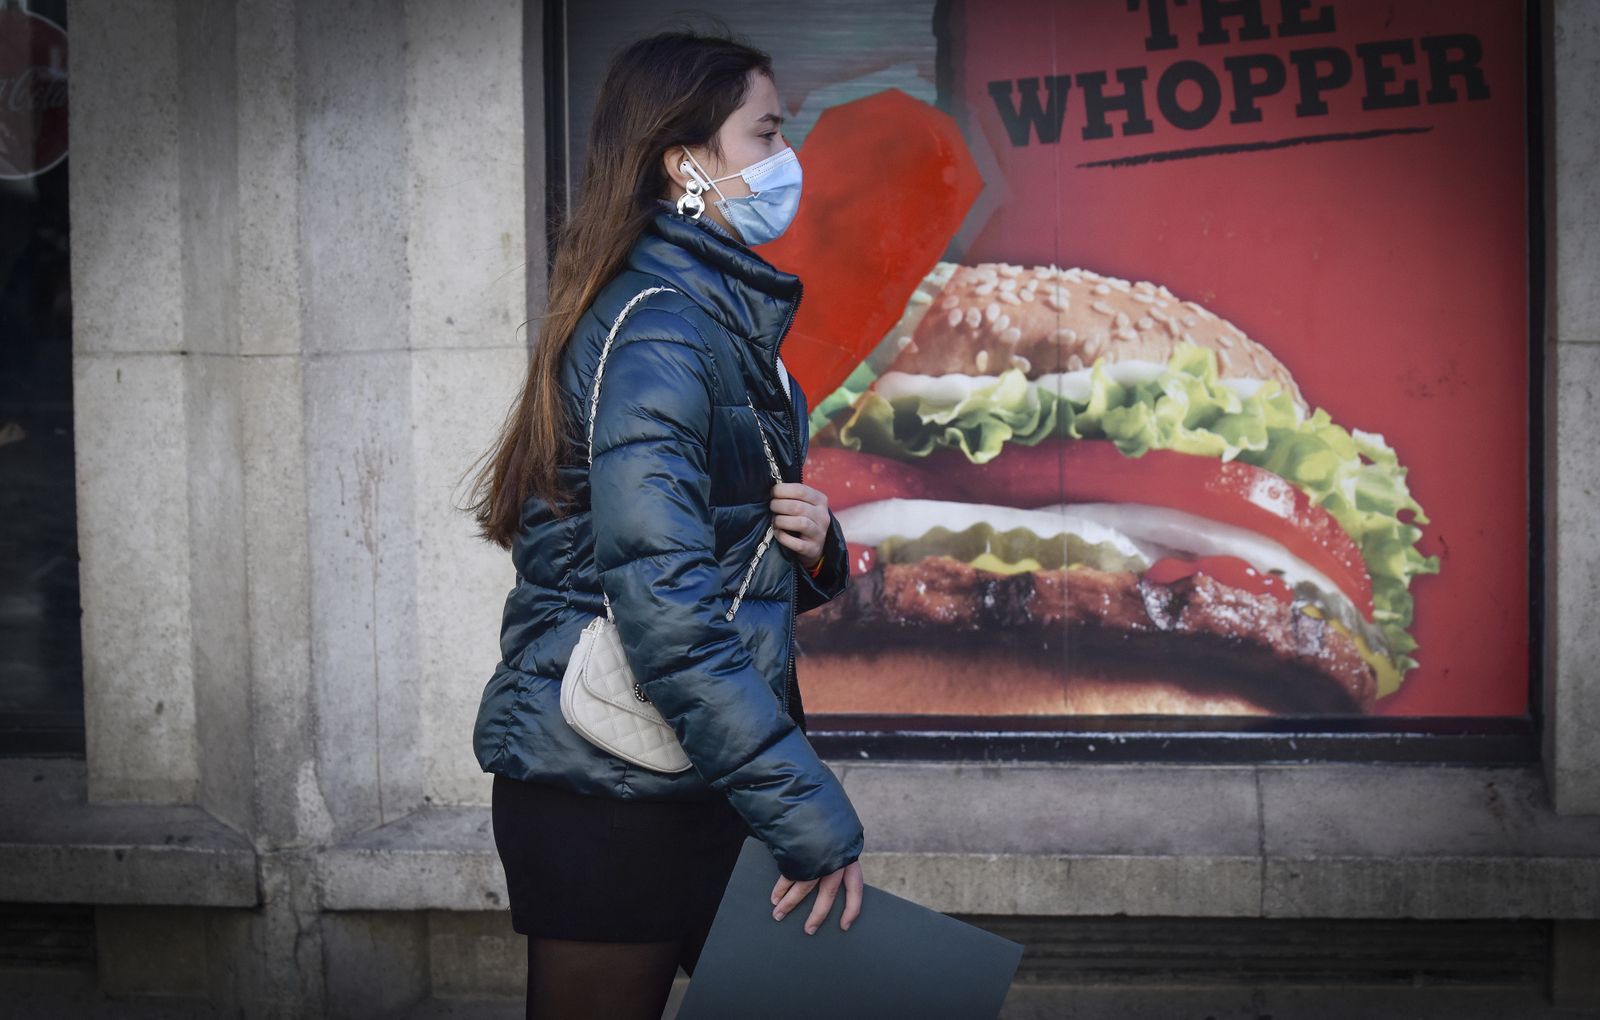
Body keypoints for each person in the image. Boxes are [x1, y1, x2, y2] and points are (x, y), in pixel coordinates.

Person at [463, 30, 865, 1020]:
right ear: (686, 162)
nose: (786, 160)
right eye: (765, 133)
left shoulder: (704, 311)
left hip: (681, 771)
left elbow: (696, 548)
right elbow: (667, 612)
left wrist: (813, 548)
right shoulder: (661, 329)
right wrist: (807, 809)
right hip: (609, 786)